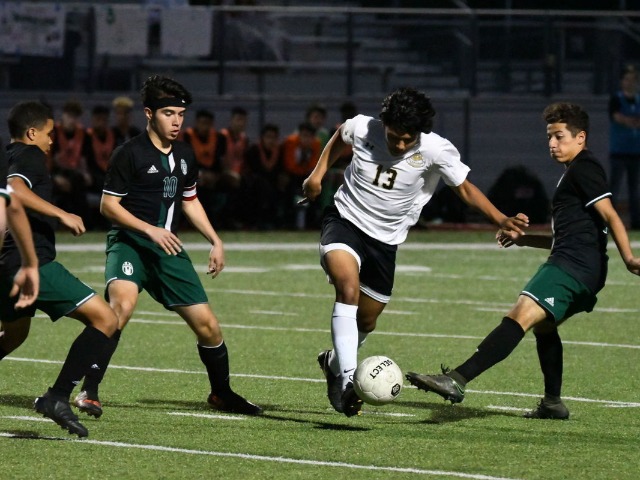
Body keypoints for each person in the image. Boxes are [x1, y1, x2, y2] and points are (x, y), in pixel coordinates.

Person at [301, 87, 529, 417]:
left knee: (367, 319)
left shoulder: (435, 149)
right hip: (344, 221)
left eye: (409, 140)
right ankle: (349, 382)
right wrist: (317, 174)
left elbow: (463, 187)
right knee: (346, 288)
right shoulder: (364, 127)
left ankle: (333, 363)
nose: (401, 145)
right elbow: (340, 136)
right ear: (384, 124)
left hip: (386, 241)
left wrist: (500, 218)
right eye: (395, 137)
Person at [406, 102, 640, 420]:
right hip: (579, 265)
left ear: (581, 137)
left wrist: (628, 257)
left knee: (521, 313)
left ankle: (457, 379)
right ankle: (553, 403)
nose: (552, 144)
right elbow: (570, 236)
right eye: (549, 137)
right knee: (544, 327)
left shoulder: (586, 168)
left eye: (559, 136)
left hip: (573, 267)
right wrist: (525, 239)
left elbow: (611, 214)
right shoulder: (574, 175)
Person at [74, 75, 262, 417]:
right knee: (120, 310)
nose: (176, 121)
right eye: (168, 113)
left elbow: (189, 200)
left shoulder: (186, 154)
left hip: (167, 248)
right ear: (149, 114)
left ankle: (221, 393)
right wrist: (149, 229)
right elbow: (108, 206)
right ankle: (89, 391)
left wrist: (215, 240)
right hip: (129, 244)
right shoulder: (128, 153)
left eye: (180, 114)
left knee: (209, 326)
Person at [1, 101, 118, 437]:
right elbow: (16, 191)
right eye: (49, 134)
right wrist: (61, 214)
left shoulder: (7, 154)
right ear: (32, 132)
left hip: (6, 266)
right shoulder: (29, 155)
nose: (53, 141)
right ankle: (57, 396)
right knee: (106, 319)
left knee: (14, 334)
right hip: (31, 263)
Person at [181, 109, 227, 225]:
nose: (205, 127)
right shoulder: (187, 136)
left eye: (208, 124)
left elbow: (220, 162)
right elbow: (183, 161)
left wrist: (215, 175)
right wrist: (199, 174)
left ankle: (221, 221)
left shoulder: (219, 138)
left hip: (214, 175)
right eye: (202, 123)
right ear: (197, 122)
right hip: (192, 175)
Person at [609, 65, 640, 229]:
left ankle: (636, 223)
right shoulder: (616, 99)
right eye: (627, 79)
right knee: (614, 188)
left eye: (633, 79)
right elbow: (618, 118)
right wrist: (632, 122)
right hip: (619, 151)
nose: (630, 83)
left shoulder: (638, 99)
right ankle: (610, 222)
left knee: (634, 190)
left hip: (636, 151)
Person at [50, 99, 91, 223]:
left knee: (79, 181)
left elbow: (83, 158)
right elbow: (50, 159)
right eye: (69, 116)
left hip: (74, 172)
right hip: (56, 172)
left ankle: (83, 221)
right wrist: (55, 176)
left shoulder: (83, 134)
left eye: (75, 117)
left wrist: (86, 173)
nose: (71, 120)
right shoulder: (54, 132)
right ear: (63, 115)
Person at [282, 122, 322, 230]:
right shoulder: (290, 142)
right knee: (289, 187)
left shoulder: (316, 144)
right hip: (291, 174)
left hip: (307, 174)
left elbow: (314, 164)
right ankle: (288, 220)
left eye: (309, 136)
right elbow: (289, 165)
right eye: (304, 136)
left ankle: (313, 220)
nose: (306, 139)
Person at [243, 123, 282, 229]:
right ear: (262, 138)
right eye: (268, 137)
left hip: (273, 182)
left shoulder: (279, 151)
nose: (271, 141)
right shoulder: (253, 150)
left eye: (274, 137)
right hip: (255, 183)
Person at [85, 105, 116, 229]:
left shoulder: (113, 136)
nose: (101, 122)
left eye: (104, 119)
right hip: (93, 178)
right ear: (93, 120)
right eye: (98, 119)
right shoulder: (87, 136)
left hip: (109, 176)